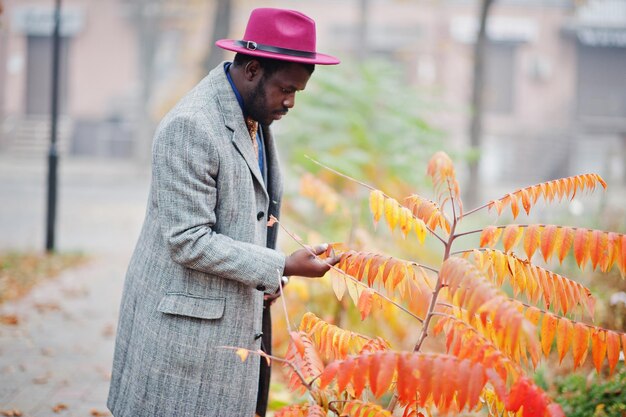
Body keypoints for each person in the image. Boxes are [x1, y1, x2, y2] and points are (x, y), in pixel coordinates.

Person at [107, 7, 340, 417]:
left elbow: (247, 213)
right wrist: (281, 264)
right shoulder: (191, 126)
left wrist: (268, 276)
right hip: (183, 338)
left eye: (297, 93)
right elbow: (188, 240)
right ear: (252, 69)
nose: (290, 102)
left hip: (230, 329)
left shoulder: (253, 113)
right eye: (286, 89)